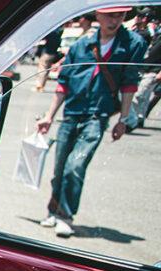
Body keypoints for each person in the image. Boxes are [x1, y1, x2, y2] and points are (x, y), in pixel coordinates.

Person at [35, 7, 146, 237]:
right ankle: (53, 210)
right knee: (59, 168)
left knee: (75, 166)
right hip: (71, 112)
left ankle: (65, 216)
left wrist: (123, 120)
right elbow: (63, 84)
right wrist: (49, 116)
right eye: (110, 15)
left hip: (98, 115)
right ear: (98, 15)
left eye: (120, 15)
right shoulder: (81, 45)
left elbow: (129, 84)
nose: (115, 20)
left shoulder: (132, 43)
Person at [129, 29, 161, 129]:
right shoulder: (156, 35)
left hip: (154, 70)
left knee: (139, 94)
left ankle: (135, 119)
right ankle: (139, 118)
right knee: (143, 96)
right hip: (144, 68)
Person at [33, 27, 63, 92]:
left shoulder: (50, 33)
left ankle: (39, 86)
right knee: (47, 70)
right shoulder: (58, 35)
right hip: (53, 54)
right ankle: (42, 86)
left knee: (42, 69)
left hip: (46, 53)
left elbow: (42, 39)